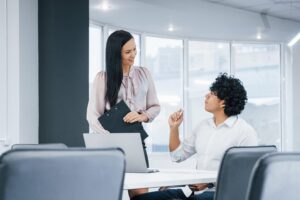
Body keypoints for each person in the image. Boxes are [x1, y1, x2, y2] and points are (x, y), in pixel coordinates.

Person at [132, 73, 258, 200]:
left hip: (221, 194)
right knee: (141, 199)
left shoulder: (244, 132)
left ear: (223, 102)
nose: (206, 96)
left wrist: (209, 183)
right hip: (192, 191)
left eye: (212, 94)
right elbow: (177, 156)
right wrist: (174, 128)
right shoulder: (203, 126)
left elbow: (247, 175)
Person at [86, 30, 161, 198]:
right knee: (108, 193)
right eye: (127, 52)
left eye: (135, 49)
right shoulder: (103, 78)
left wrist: (142, 116)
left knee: (141, 195)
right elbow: (92, 115)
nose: (133, 55)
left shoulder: (144, 74)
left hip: (136, 141)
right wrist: (109, 136)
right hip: (108, 146)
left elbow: (155, 106)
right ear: (115, 53)